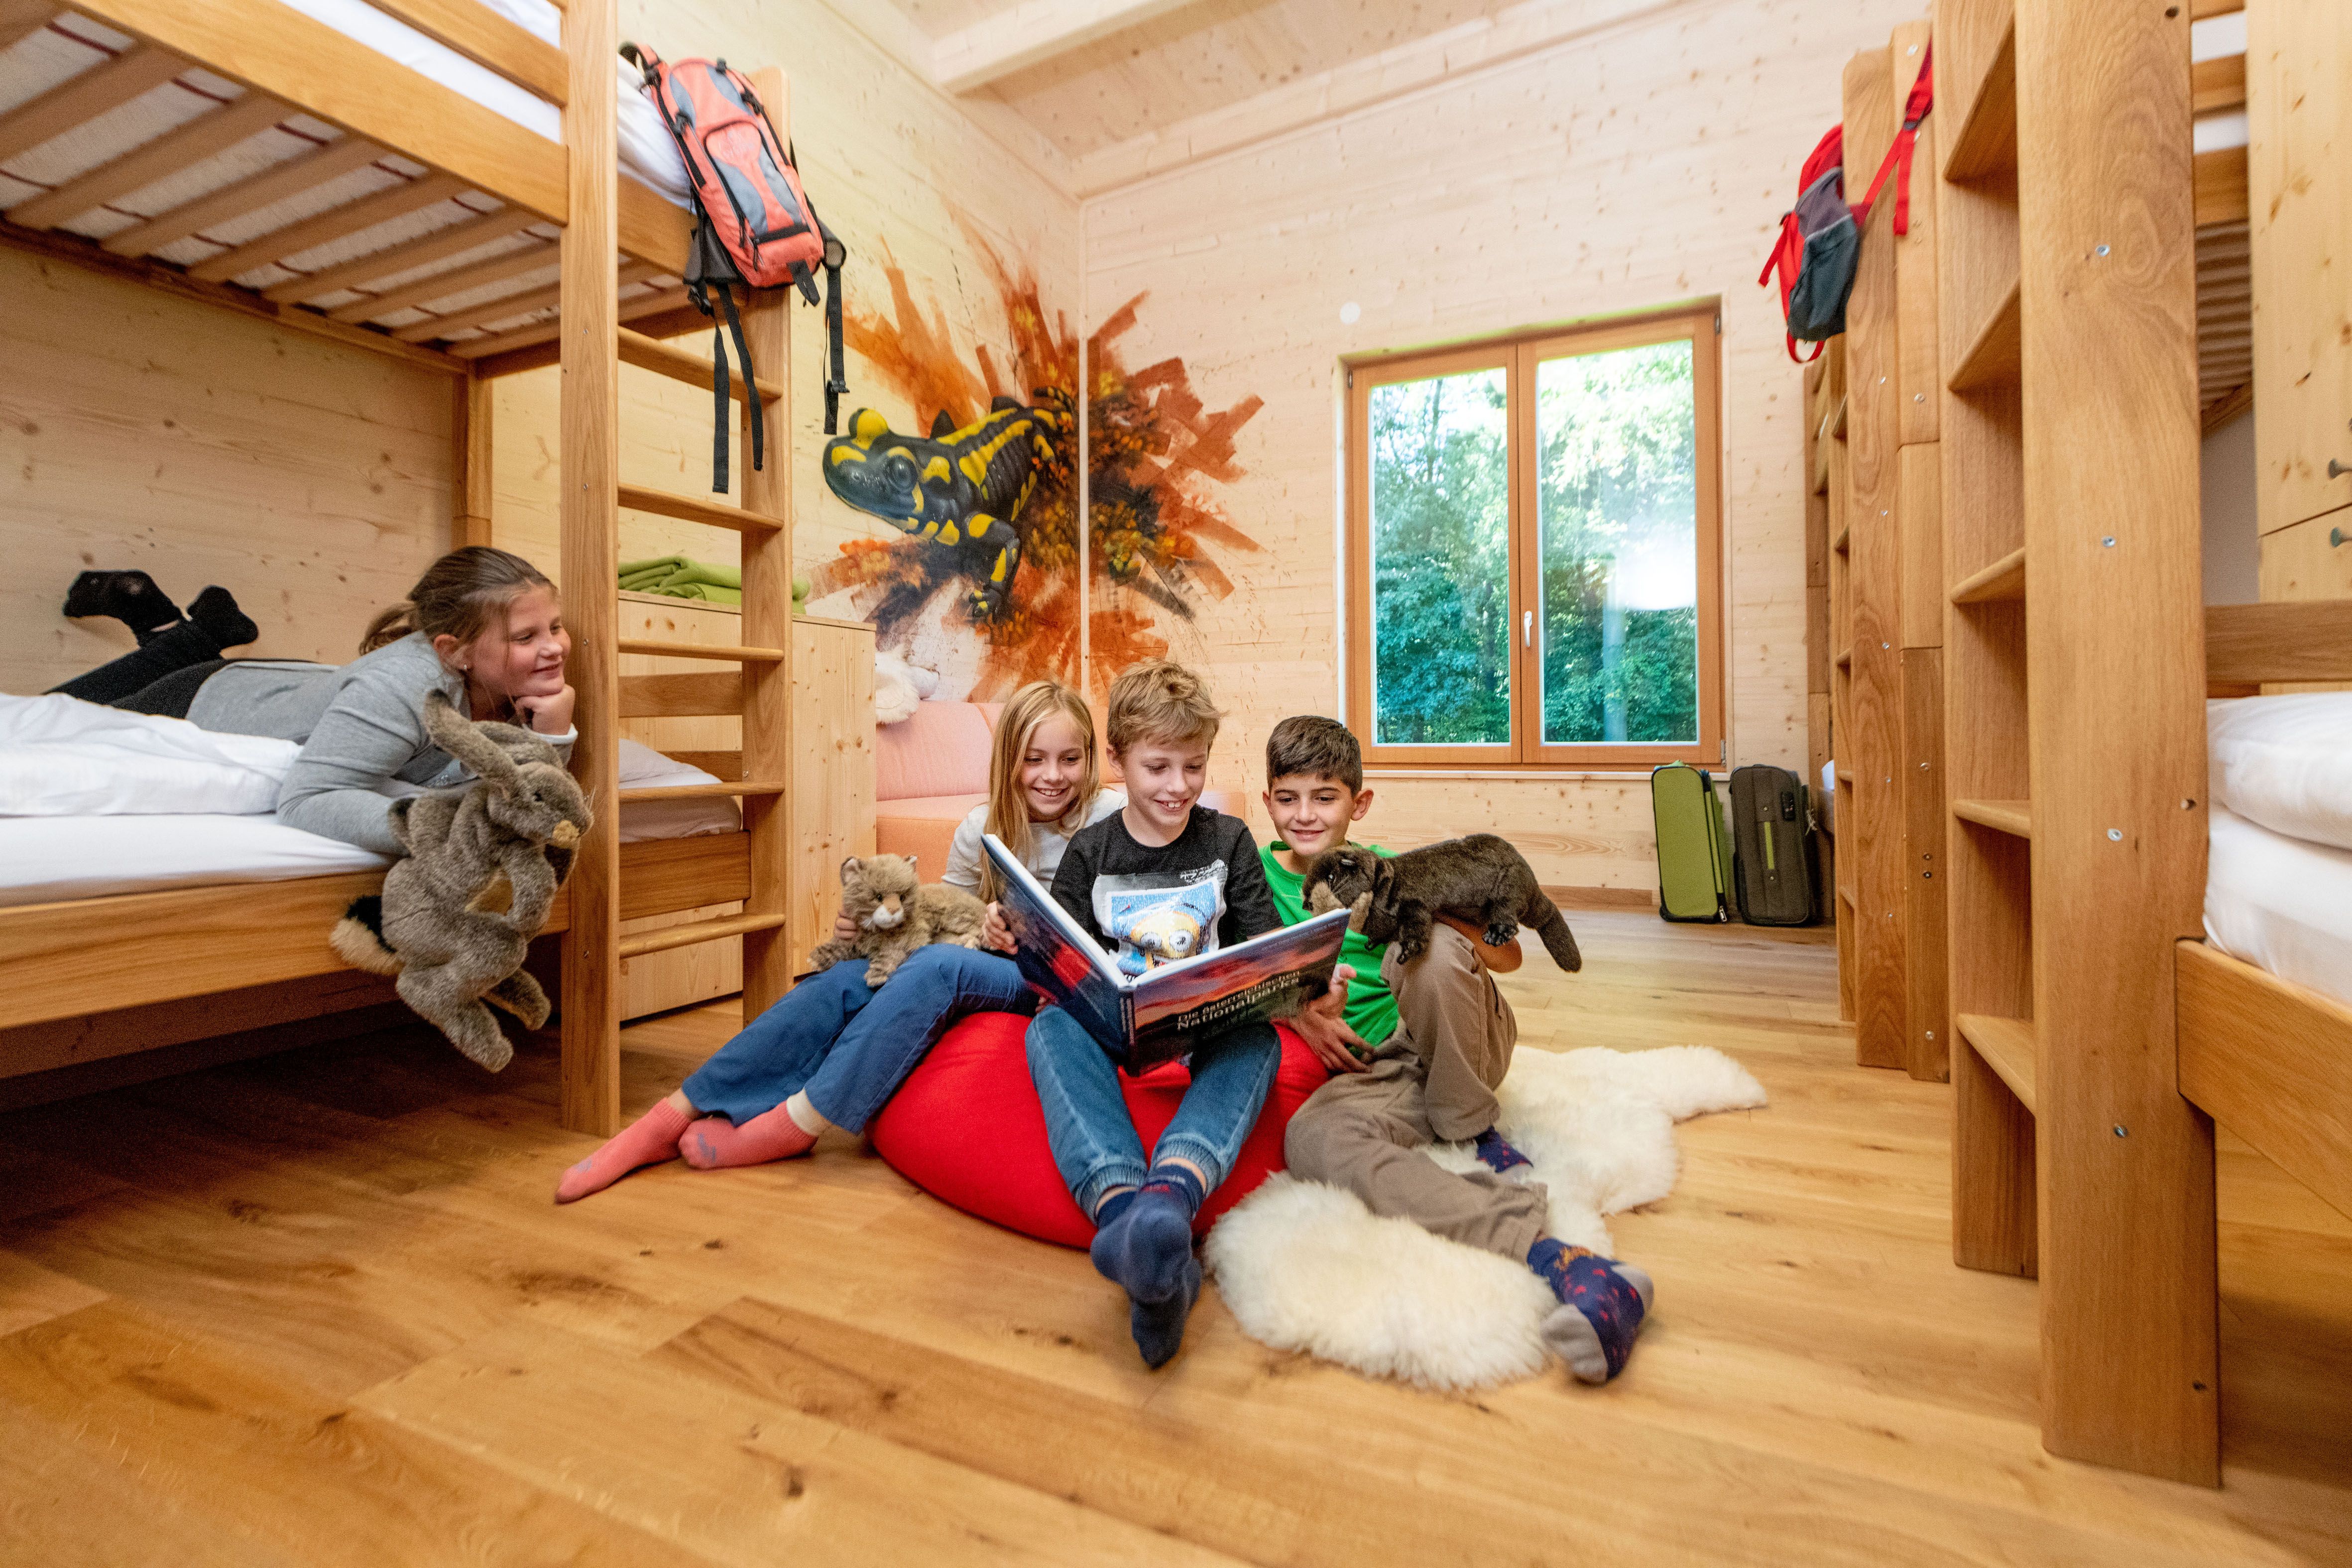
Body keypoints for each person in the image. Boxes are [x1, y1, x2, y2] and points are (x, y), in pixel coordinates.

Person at [554, 678, 1123, 1203]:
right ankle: (669, 1118)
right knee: (841, 981)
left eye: (1069, 759)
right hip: (986, 957)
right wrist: (868, 931)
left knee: (935, 969)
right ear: (1009, 764)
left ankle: (799, 1124)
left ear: (1090, 761)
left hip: (1050, 987)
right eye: (1035, 760)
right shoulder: (982, 826)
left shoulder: (1108, 817)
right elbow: (940, 910)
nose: (1053, 775)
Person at [1270, 714, 1655, 1383]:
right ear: (1269, 797)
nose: (1304, 815)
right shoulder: (1257, 879)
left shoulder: (1395, 869)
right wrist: (1302, 1016)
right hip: (1383, 1068)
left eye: (1323, 797)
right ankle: (1562, 1259)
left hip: (1457, 1034)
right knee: (1312, 1140)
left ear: (1357, 804)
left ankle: (1470, 1121)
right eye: (1287, 797)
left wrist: (1438, 916)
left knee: (1433, 954)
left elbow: (1504, 958)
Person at [1023, 662, 1356, 1369]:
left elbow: (1264, 953)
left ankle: (1165, 1201)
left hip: (1207, 1030)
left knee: (1258, 1039)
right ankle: (1126, 1214)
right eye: (1157, 767)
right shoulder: (1090, 852)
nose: (1177, 786)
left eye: (1193, 766)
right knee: (1047, 1027)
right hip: (1119, 1033)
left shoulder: (1228, 840)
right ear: (1116, 761)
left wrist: (1307, 993)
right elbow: (1064, 969)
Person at [46, 556, 576, 855]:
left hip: (293, 686)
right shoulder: (403, 690)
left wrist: (552, 736)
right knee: (39, 721)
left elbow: (519, 796)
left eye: (554, 627)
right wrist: (447, 835)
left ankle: (201, 631)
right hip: (204, 701)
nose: (552, 647)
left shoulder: (508, 678)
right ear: (455, 652)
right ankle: (194, 637)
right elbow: (308, 798)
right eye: (526, 636)